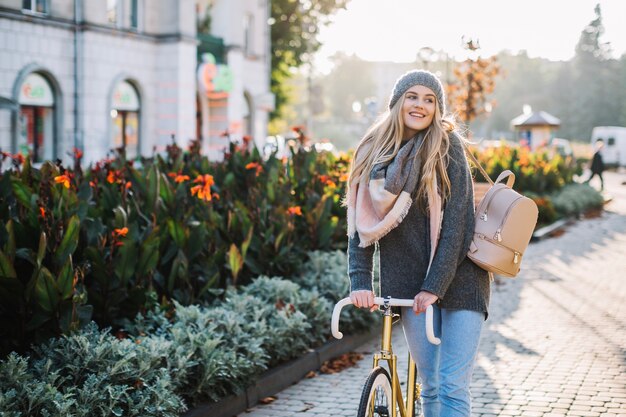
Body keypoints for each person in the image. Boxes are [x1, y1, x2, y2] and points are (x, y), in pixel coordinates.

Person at [345, 70, 490, 417]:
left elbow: (458, 224)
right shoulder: (372, 153)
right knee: (432, 386)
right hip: (409, 285)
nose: (420, 105)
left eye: (430, 100)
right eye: (413, 96)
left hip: (462, 282)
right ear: (397, 102)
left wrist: (434, 286)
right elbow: (360, 224)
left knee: (452, 386)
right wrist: (360, 281)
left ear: (437, 108)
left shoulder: (447, 147)